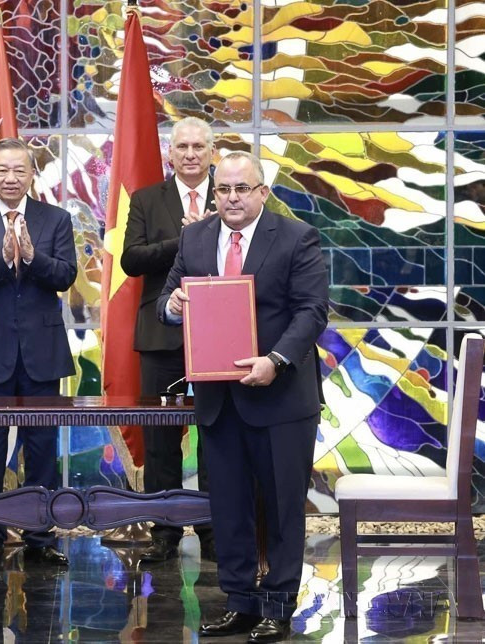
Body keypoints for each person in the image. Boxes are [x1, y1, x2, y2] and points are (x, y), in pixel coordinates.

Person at [157, 151, 328, 643]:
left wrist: (275, 359)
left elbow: (312, 311)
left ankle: (278, 605)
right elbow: (167, 301)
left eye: (241, 188)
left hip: (281, 398)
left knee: (282, 507)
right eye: (223, 189)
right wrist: (172, 306)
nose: (231, 198)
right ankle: (238, 603)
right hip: (218, 400)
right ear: (214, 194)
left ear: (262, 192)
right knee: (229, 508)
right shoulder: (195, 237)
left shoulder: (296, 237)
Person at [0, 138, 77, 569]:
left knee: (41, 448)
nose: (10, 178)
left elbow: (65, 275)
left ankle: (40, 537)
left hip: (42, 352)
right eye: (2, 170)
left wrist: (32, 258)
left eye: (19, 170)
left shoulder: (56, 219)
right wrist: (2, 261)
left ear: (32, 174)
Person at [120, 116, 217, 563]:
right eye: (183, 147)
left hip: (219, 334)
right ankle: (165, 529)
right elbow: (131, 259)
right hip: (161, 333)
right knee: (160, 438)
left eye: (199, 146)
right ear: (170, 154)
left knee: (217, 434)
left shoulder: (230, 194)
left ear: (212, 152)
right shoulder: (146, 199)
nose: (191, 154)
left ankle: (214, 527)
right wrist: (183, 240)